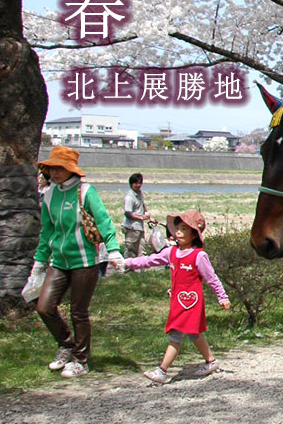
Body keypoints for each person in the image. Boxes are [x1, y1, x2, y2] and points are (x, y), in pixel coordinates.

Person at [31, 146, 124, 378]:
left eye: (60, 167)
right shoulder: (49, 195)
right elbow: (47, 232)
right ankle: (65, 344)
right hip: (59, 261)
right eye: (52, 168)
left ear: (71, 169)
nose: (55, 172)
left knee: (78, 312)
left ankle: (81, 360)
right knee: (44, 307)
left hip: (85, 262)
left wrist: (113, 251)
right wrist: (39, 263)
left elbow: (104, 222)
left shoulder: (86, 192)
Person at [123, 211, 232, 384]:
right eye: (177, 229)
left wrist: (222, 297)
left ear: (194, 234)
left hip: (192, 302)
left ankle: (162, 371)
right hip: (177, 301)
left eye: (183, 229)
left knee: (176, 335)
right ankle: (211, 361)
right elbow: (151, 260)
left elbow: (212, 278)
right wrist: (128, 262)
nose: (178, 233)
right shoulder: (171, 253)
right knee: (193, 334)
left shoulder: (199, 256)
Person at [122, 173, 151, 258]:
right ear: (131, 184)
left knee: (142, 248)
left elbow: (142, 204)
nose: (138, 185)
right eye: (136, 183)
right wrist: (141, 217)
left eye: (140, 183)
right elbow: (128, 214)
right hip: (132, 228)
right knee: (131, 250)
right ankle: (128, 269)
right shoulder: (129, 197)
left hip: (139, 227)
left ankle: (142, 269)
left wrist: (149, 216)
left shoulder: (140, 193)